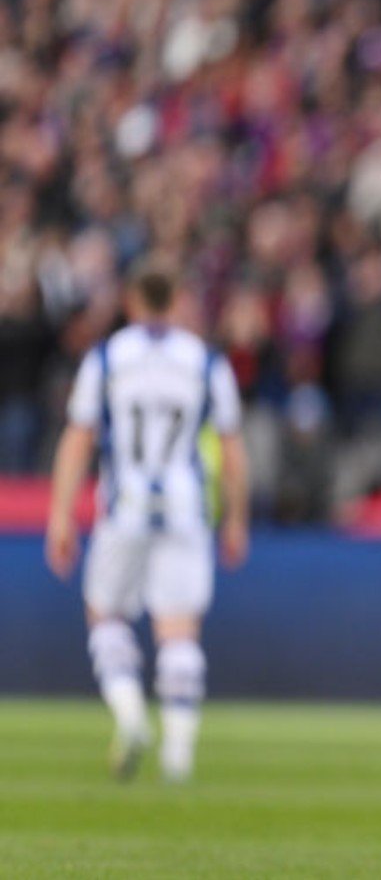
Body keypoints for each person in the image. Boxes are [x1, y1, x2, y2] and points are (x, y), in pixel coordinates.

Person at [45, 259, 249, 784]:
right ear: (177, 299)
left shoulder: (108, 358)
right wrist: (236, 521)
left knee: (106, 615)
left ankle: (132, 716)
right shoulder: (205, 362)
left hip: (125, 508)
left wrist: (61, 517)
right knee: (178, 629)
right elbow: (231, 450)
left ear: (132, 301)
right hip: (184, 509)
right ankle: (178, 755)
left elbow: (78, 438)